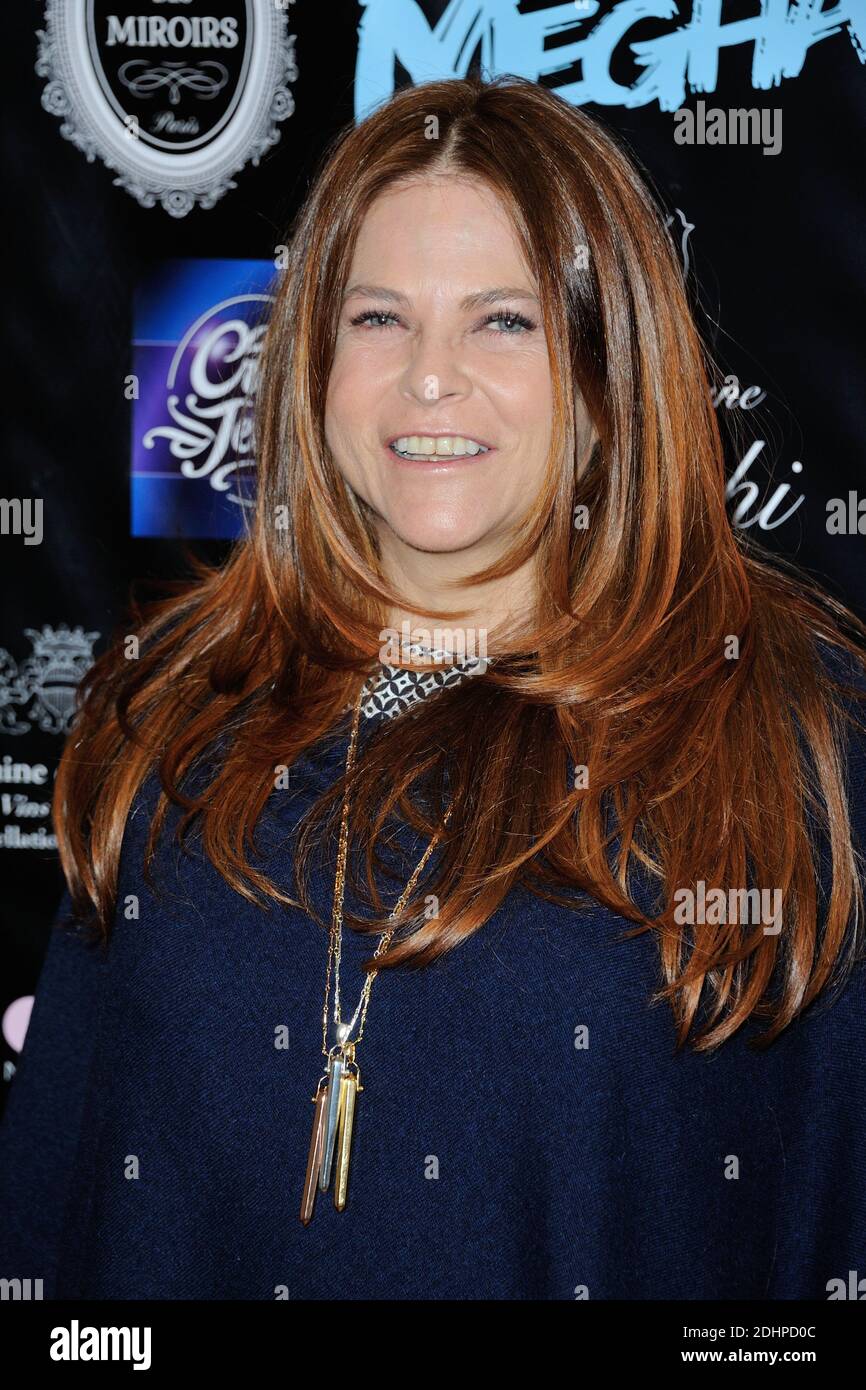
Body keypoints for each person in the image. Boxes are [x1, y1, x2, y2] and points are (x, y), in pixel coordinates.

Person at [1, 74, 865, 1301]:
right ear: (311, 361)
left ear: (608, 370)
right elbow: (50, 1216)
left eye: (502, 320)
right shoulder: (177, 705)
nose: (427, 378)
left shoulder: (786, 725)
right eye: (377, 318)